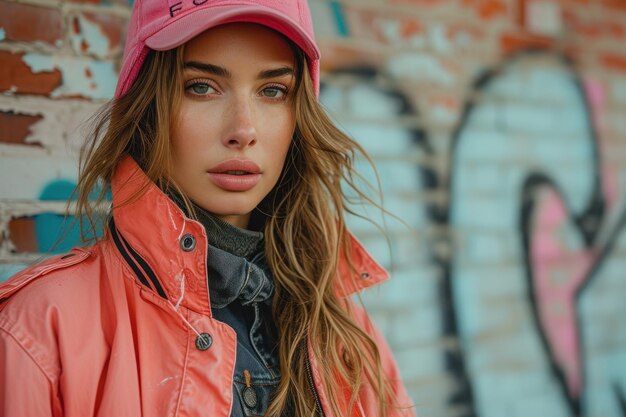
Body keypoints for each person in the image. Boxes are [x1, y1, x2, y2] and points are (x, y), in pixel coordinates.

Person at [0, 1, 416, 416]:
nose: (243, 130)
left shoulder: (348, 334)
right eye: (201, 86)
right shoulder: (39, 332)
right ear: (147, 106)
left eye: (273, 91)